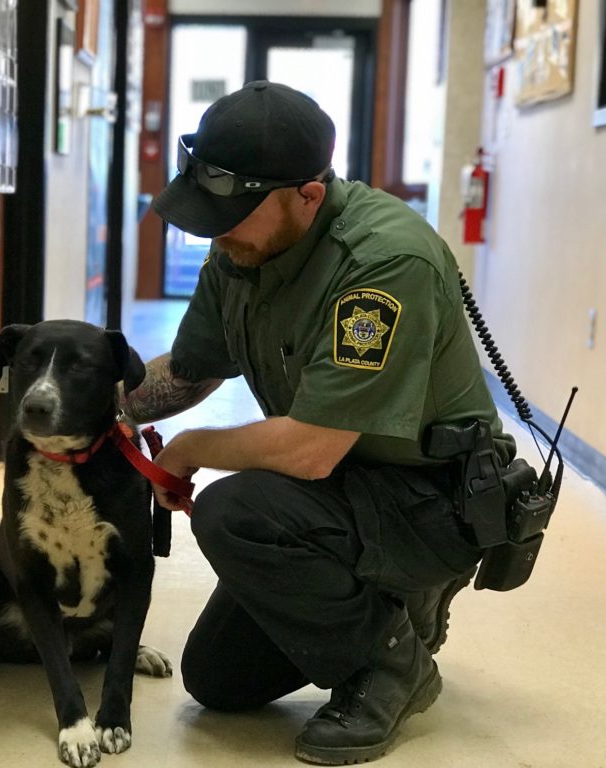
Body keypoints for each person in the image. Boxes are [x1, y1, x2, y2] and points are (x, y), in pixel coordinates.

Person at [122, 81, 516, 765]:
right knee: (218, 681)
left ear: (307, 193)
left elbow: (309, 450)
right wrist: (107, 412)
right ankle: (390, 606)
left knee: (235, 510)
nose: (216, 231)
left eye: (236, 213)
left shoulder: (384, 263)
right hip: (341, 491)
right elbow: (192, 371)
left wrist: (188, 449)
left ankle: (396, 662)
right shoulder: (242, 249)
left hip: (427, 497)